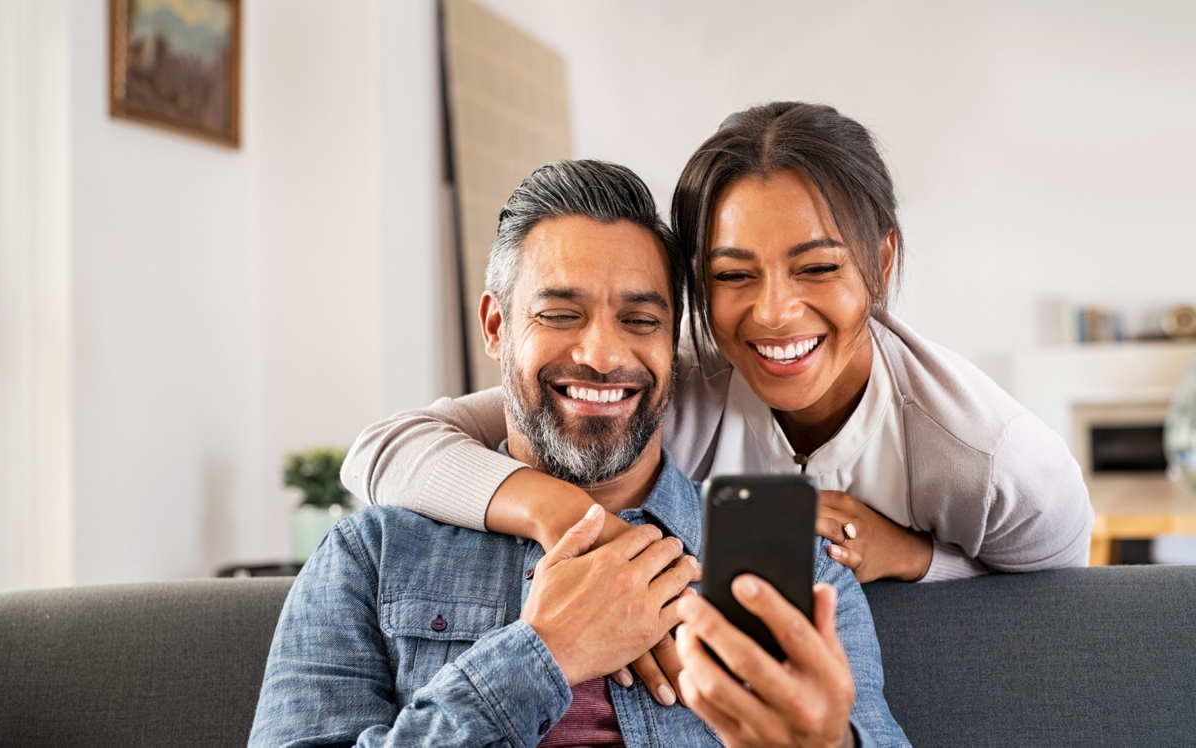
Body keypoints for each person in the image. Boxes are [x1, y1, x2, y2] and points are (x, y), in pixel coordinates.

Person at [341, 102, 1094, 707]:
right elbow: (386, 449)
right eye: (734, 275)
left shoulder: (988, 455)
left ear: (881, 260)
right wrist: (576, 520)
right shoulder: (671, 388)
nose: (773, 314)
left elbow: (1059, 592)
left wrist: (914, 557)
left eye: (818, 266)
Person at [250, 160, 908, 747]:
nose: (602, 355)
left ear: (673, 341)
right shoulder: (371, 558)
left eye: (641, 320)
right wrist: (539, 658)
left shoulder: (801, 566)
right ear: (496, 327)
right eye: (561, 314)